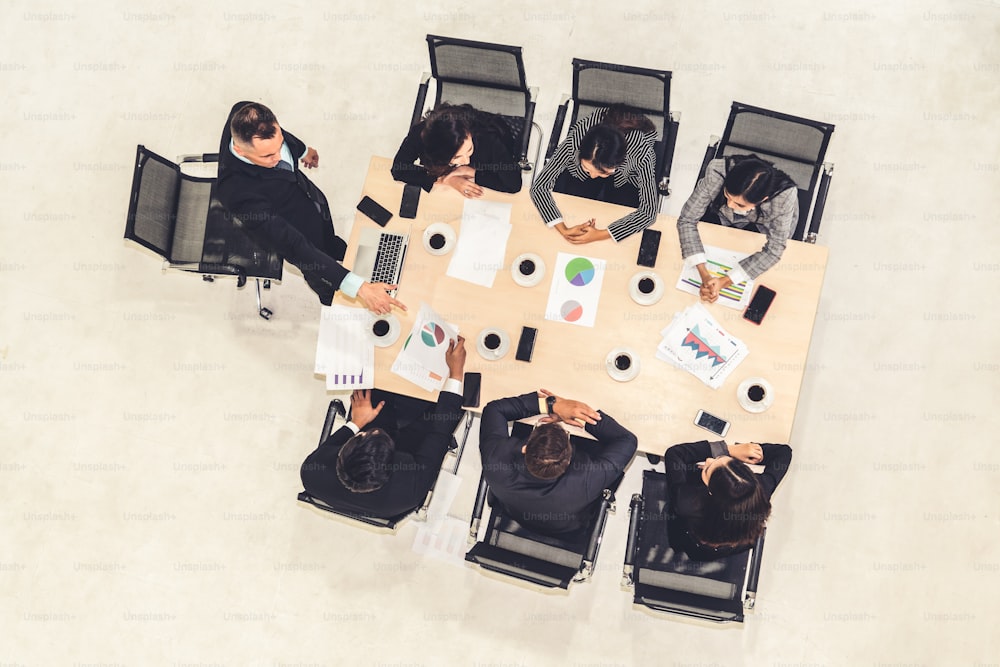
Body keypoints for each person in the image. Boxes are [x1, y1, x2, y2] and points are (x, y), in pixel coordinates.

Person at [216, 101, 404, 315]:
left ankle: (336, 252)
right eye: (267, 156)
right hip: (296, 231)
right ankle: (329, 295)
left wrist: (302, 150)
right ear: (240, 149)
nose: (279, 158)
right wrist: (360, 288)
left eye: (279, 147)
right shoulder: (237, 194)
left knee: (330, 242)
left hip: (310, 202)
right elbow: (295, 245)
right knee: (319, 273)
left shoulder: (245, 112)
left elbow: (279, 137)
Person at [300, 336, 467, 519]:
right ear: (393, 464)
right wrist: (456, 373)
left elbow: (336, 441)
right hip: (413, 452)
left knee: (372, 376)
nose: (378, 430)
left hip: (367, 438)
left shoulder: (312, 472)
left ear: (342, 454)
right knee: (448, 406)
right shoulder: (409, 489)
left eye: (364, 435)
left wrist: (356, 423)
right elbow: (440, 432)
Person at [479, 389, 637, 535]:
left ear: (525, 448)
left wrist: (551, 406)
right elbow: (627, 440)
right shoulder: (587, 481)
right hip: (568, 525)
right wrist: (577, 416)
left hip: (520, 512)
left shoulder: (495, 462)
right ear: (568, 460)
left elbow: (494, 410)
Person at [676, 154, 799, 303]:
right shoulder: (717, 172)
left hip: (760, 228)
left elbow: (774, 249)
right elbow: (687, 220)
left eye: (740, 204)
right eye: (727, 195)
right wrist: (704, 274)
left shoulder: (784, 197)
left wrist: (726, 281)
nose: (730, 205)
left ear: (763, 200)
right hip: (721, 220)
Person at [530, 104, 658, 244]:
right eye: (587, 168)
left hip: (625, 178)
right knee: (574, 208)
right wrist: (563, 229)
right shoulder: (577, 138)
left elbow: (649, 211)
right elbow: (539, 187)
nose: (593, 176)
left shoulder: (642, 151)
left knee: (619, 214)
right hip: (580, 174)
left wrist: (601, 234)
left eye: (602, 172)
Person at [663, 440, 792, 560]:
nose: (708, 460)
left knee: (686, 544)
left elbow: (674, 454)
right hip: (733, 543)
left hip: (695, 544)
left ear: (710, 491)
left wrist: (729, 450)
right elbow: (784, 453)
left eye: (708, 469)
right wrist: (752, 452)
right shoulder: (759, 490)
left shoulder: (686, 501)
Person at [391, 103, 523, 198]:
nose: (466, 160)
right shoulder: (420, 134)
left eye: (469, 149)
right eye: (456, 157)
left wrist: (470, 171)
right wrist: (447, 180)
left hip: (497, 138)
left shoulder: (488, 140)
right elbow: (399, 169)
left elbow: (513, 185)